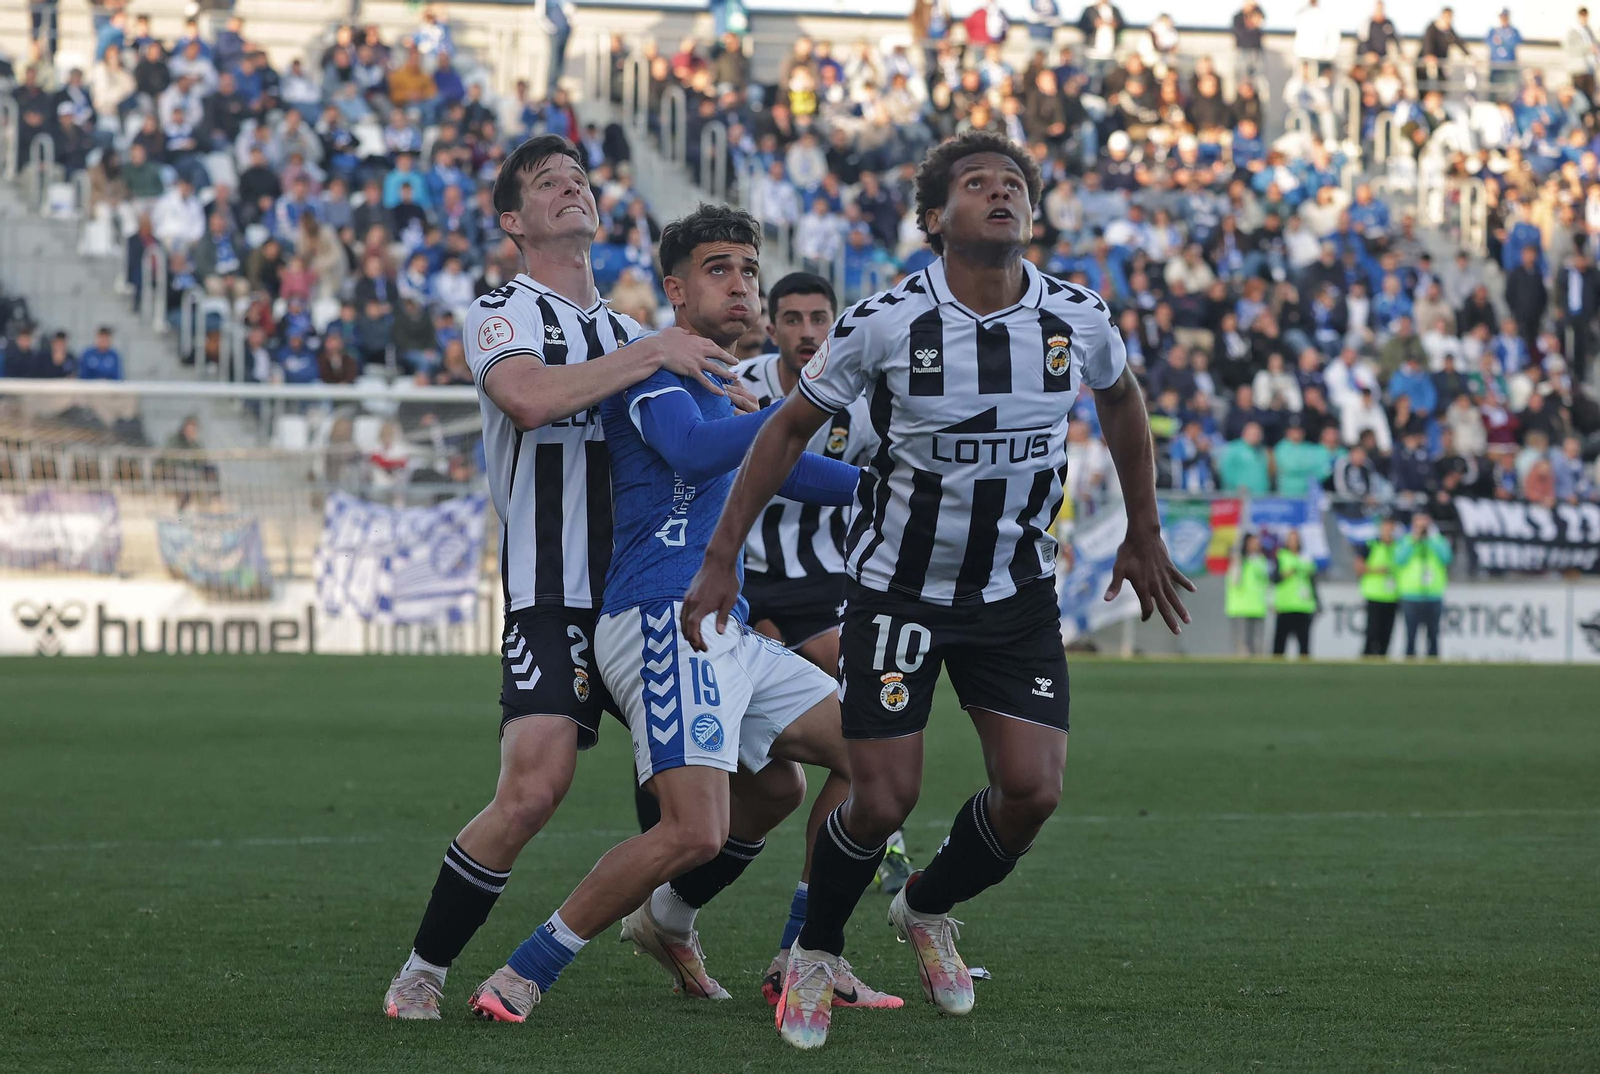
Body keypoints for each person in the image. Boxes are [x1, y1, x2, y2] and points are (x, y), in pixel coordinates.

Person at [680, 130, 1194, 1050]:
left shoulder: (1076, 316)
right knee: (881, 800)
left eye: (1015, 186)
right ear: (934, 217)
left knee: (1033, 791)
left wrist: (1143, 530)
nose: (1002, 195)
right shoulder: (884, 321)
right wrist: (722, 558)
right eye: (977, 184)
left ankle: (924, 909)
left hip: (1015, 592)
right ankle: (814, 953)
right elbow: (787, 430)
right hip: (898, 593)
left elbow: (1121, 398)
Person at [469, 205, 900, 1023]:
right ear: (675, 289)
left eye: (747, 269)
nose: (740, 284)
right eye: (718, 269)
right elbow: (699, 453)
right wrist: (793, 413)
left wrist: (892, 487)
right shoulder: (650, 372)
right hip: (659, 618)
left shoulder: (728, 386)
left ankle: (798, 952)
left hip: (719, 627)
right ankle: (522, 974)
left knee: (871, 762)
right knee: (695, 833)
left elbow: (792, 475)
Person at [381, 135, 741, 1020]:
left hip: (642, 593)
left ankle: (673, 922)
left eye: (578, 178)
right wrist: (659, 352)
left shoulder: (629, 330)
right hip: (551, 592)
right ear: (514, 220)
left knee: (746, 788)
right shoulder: (502, 314)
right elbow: (531, 399)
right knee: (534, 788)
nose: (571, 189)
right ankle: (424, 970)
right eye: (548, 183)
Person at [732, 271, 919, 907]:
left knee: (848, 672)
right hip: (747, 578)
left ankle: (877, 824)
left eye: (819, 318)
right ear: (771, 326)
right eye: (792, 318)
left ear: (836, 323)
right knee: (762, 723)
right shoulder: (743, 386)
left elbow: (886, 487)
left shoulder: (861, 406)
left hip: (821, 579)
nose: (808, 332)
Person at [1396, 509, 1451, 657]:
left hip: (1433, 595)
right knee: (1410, 635)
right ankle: (1409, 665)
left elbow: (1446, 558)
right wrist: (1414, 539)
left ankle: (1434, 666)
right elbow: (1399, 560)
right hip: (1411, 595)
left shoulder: (1438, 540)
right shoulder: (1406, 540)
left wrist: (1432, 538)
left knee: (1433, 635)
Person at [1357, 517, 1399, 657]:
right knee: (1372, 631)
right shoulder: (1370, 545)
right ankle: (1367, 657)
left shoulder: (1398, 546)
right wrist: (1377, 570)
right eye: (1385, 527)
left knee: (1387, 632)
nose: (1387, 531)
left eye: (1390, 528)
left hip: (1392, 596)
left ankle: (1383, 658)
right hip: (1374, 594)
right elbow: (1358, 567)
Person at [1271, 529, 1317, 657]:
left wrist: (1317, 602)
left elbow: (1313, 582)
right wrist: (1284, 575)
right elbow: (1273, 578)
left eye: (1295, 539)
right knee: (1279, 645)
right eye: (1290, 539)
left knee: (1304, 646)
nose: (1293, 543)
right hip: (1285, 606)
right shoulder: (1280, 556)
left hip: (1303, 606)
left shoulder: (1306, 558)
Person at [1225, 532, 1271, 656]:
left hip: (1258, 608)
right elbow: (1235, 581)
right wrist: (1238, 559)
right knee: (1242, 646)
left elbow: (1266, 584)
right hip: (1240, 608)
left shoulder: (1262, 561)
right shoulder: (1239, 561)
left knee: (1257, 645)